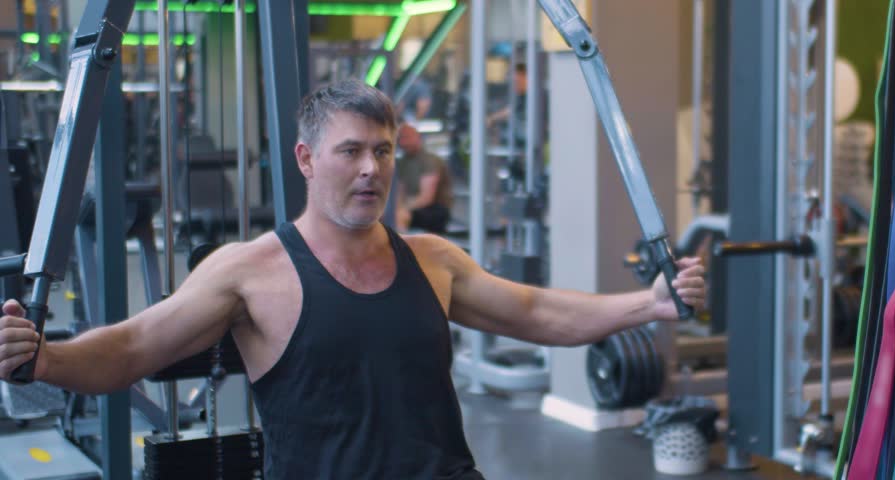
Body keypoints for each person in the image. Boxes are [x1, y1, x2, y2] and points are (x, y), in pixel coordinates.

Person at [0, 80, 706, 479]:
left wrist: (645, 305)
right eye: (351, 152)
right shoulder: (248, 272)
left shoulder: (432, 258)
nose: (372, 168)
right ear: (307, 159)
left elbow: (538, 313)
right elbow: (131, 350)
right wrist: (45, 359)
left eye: (383, 151)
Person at [395, 122, 453, 234]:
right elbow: (399, 193)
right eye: (400, 138)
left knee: (401, 216)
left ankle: (402, 249)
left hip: (436, 210)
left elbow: (426, 198)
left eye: (406, 137)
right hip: (414, 207)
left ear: (417, 137)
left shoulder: (429, 160)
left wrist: (402, 209)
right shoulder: (402, 163)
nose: (403, 142)